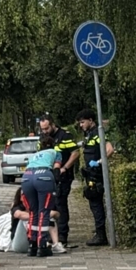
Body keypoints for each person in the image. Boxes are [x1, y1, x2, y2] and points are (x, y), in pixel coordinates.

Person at [20, 135, 67, 257]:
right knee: (44, 212)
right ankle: (42, 245)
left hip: (27, 177)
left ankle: (32, 244)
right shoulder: (55, 152)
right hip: (43, 177)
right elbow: (57, 170)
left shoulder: (34, 155)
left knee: (32, 212)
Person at [75, 109, 114, 246]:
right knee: (93, 203)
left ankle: (101, 235)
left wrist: (98, 162)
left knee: (96, 204)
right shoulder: (89, 134)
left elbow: (109, 149)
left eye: (82, 122)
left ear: (91, 120)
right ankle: (99, 231)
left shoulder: (98, 133)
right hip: (91, 174)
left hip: (96, 175)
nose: (81, 125)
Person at [39, 114, 78, 246]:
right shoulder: (43, 138)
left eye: (46, 128)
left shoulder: (65, 136)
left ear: (52, 124)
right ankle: (52, 234)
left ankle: (62, 235)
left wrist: (65, 168)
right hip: (48, 177)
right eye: (42, 129)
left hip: (63, 176)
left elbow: (75, 153)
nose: (44, 132)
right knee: (51, 204)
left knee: (60, 203)